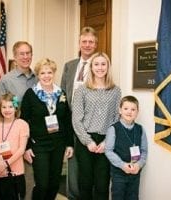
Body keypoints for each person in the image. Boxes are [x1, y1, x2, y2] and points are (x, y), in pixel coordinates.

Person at [20, 58, 74, 200]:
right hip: (39, 145)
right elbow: (23, 122)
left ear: (54, 73)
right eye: (42, 73)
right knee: (42, 184)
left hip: (58, 144)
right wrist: (26, 147)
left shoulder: (61, 93)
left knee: (54, 183)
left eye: (49, 72)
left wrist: (69, 144)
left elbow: (67, 120)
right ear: (37, 75)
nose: (46, 76)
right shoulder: (30, 94)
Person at [72, 52, 121, 200]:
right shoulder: (82, 90)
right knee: (85, 182)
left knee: (102, 183)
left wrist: (107, 142)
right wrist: (88, 141)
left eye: (103, 64)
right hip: (85, 139)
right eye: (96, 64)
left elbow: (116, 118)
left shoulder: (115, 91)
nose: (100, 68)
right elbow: (76, 119)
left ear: (108, 67)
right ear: (91, 67)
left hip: (106, 141)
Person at [60, 26, 98, 200]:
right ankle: (73, 196)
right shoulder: (69, 65)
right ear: (79, 43)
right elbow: (62, 93)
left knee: (90, 165)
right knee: (72, 161)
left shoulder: (99, 65)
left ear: (96, 44)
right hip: (71, 120)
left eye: (91, 42)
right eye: (84, 41)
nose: (87, 45)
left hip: (91, 123)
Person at [0, 93, 29, 200]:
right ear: (0, 108)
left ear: (16, 108)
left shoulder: (22, 124)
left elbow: (21, 149)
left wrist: (5, 164)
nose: (7, 110)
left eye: (10, 106)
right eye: (4, 107)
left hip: (15, 172)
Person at [105, 96, 148, 200]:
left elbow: (144, 151)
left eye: (133, 109)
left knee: (133, 197)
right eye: (126, 109)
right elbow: (108, 151)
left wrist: (138, 165)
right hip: (119, 174)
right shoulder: (113, 129)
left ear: (137, 112)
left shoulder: (140, 129)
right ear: (120, 110)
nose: (129, 112)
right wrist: (123, 165)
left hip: (135, 173)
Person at [0, 41, 36, 119]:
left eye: (28, 53)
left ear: (32, 55)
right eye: (22, 54)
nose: (25, 57)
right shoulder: (6, 81)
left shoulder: (39, 79)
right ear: (15, 57)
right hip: (14, 128)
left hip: (36, 128)